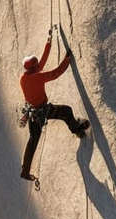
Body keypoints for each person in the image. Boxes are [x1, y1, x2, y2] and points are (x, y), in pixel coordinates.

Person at [19, 25, 89, 182]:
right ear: (34, 67)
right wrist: (67, 59)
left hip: (32, 114)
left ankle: (25, 170)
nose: (39, 65)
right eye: (36, 64)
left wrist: (48, 42)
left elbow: (41, 63)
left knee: (33, 139)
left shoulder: (25, 77)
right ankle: (77, 129)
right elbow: (55, 73)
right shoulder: (38, 76)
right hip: (43, 111)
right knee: (66, 111)